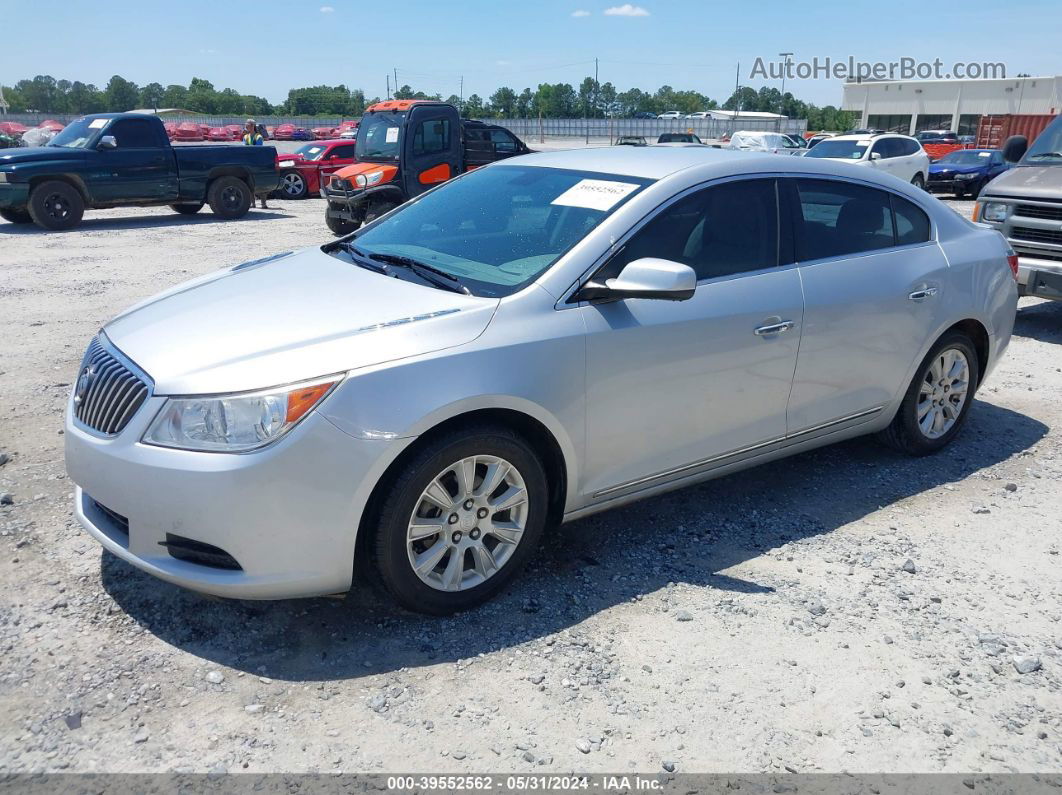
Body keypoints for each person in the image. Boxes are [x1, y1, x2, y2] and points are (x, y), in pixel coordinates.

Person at [242, 119, 269, 209]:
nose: (246, 126)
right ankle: (252, 203)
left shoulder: (258, 137)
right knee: (249, 183)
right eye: (246, 125)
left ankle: (263, 204)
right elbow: (244, 149)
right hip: (248, 163)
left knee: (261, 184)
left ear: (253, 126)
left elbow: (258, 149)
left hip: (258, 163)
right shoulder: (245, 137)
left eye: (247, 125)